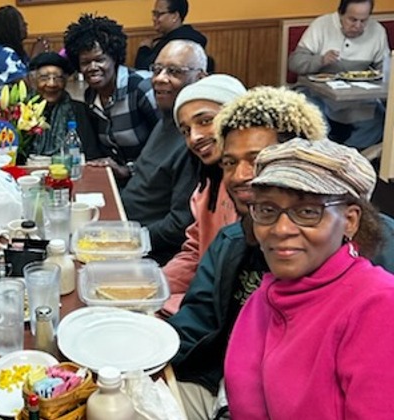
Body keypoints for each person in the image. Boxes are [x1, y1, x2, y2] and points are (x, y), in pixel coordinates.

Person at [167, 86, 394, 420]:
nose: (241, 176)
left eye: (306, 211)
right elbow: (196, 326)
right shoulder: (252, 270)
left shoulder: (376, 287)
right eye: (230, 162)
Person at [225, 138, 394, 417]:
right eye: (267, 210)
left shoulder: (378, 306)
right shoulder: (265, 298)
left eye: (307, 212)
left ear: (350, 220)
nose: (280, 229)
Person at [161, 74, 246, 315]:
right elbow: (196, 252)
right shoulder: (207, 189)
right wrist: (153, 284)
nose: (195, 137)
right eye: (186, 131)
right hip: (207, 298)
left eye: (206, 120)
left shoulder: (260, 190)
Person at [121, 40, 206, 265]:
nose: (160, 78)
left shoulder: (194, 141)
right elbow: (150, 173)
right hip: (123, 224)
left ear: (200, 78)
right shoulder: (168, 118)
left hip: (146, 252)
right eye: (157, 69)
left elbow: (179, 225)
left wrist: (129, 240)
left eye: (174, 71)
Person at [64, 14, 159, 183]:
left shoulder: (141, 87)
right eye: (85, 62)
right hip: (116, 180)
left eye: (100, 60)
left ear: (114, 59)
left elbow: (165, 145)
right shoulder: (90, 97)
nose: (93, 67)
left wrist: (127, 170)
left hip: (151, 179)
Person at [289, 0, 389, 149]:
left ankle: (351, 156)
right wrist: (321, 60)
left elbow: (384, 69)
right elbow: (295, 62)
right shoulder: (321, 25)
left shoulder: (377, 31)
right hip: (317, 94)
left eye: (363, 21)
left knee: (378, 119)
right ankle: (324, 156)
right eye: (352, 19)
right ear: (340, 14)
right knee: (314, 118)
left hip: (356, 99)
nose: (357, 26)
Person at [26, 52, 99, 158]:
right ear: (33, 81)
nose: (51, 84)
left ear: (65, 82)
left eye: (58, 78)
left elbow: (91, 154)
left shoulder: (80, 111)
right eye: (44, 78)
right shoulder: (21, 112)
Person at [0, 5, 47, 108]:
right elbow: (29, 87)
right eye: (21, 22)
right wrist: (37, 56)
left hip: (1, 107)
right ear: (12, 28)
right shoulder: (1, 55)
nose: (26, 24)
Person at [135, 0, 209, 72]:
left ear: (175, 16)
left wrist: (144, 49)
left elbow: (144, 70)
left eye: (159, 14)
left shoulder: (177, 41)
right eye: (154, 13)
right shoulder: (167, 37)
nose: (154, 18)